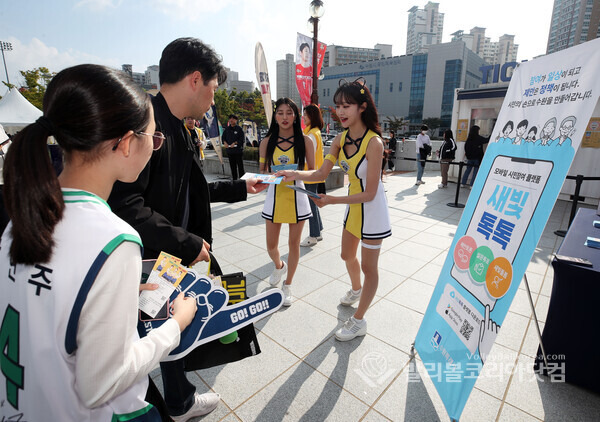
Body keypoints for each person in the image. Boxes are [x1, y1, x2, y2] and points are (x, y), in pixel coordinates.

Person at [0, 64, 198, 421]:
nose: (155, 148)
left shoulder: (21, 221)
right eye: (153, 138)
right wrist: (175, 326)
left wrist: (117, 295)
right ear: (125, 142)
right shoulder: (115, 240)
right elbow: (102, 384)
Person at [108, 38, 267, 422]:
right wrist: (186, 241)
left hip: (167, 255)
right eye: (214, 87)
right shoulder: (147, 126)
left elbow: (189, 188)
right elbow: (126, 205)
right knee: (145, 335)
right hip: (145, 260)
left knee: (164, 323)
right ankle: (163, 405)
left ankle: (179, 401)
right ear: (196, 79)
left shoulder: (176, 125)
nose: (214, 98)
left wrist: (239, 187)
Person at [277, 79, 392, 341]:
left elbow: (371, 192)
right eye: (338, 106)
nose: (340, 111)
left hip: (372, 212)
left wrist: (331, 201)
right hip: (353, 207)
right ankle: (356, 289)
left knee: (368, 267)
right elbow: (321, 172)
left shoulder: (374, 143)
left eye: (347, 106)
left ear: (362, 107)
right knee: (345, 255)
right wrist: (292, 173)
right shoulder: (340, 139)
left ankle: (359, 320)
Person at [260, 97, 315, 306]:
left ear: (295, 115)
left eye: (289, 113)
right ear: (275, 116)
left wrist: (296, 173)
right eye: (280, 113)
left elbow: (315, 172)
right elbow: (263, 171)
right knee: (271, 245)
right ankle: (279, 265)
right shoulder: (267, 142)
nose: (285, 117)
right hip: (274, 198)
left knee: (294, 244)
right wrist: (268, 177)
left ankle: (288, 284)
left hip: (297, 196)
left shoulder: (306, 140)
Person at [300, 104, 326, 247]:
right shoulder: (314, 132)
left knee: (310, 204)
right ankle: (318, 231)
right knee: (312, 202)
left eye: (306, 115)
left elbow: (308, 157)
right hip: (313, 173)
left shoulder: (311, 134)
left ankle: (314, 235)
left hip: (310, 173)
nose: (303, 117)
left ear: (312, 116)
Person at [222, 114, 245, 180]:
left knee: (240, 167)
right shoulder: (227, 129)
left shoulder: (239, 129)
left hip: (238, 151)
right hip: (230, 151)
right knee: (233, 167)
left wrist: (235, 143)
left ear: (236, 120)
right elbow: (223, 138)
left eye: (233, 119)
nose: (231, 120)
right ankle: (234, 181)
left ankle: (242, 181)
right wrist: (225, 142)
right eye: (230, 119)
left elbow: (241, 139)